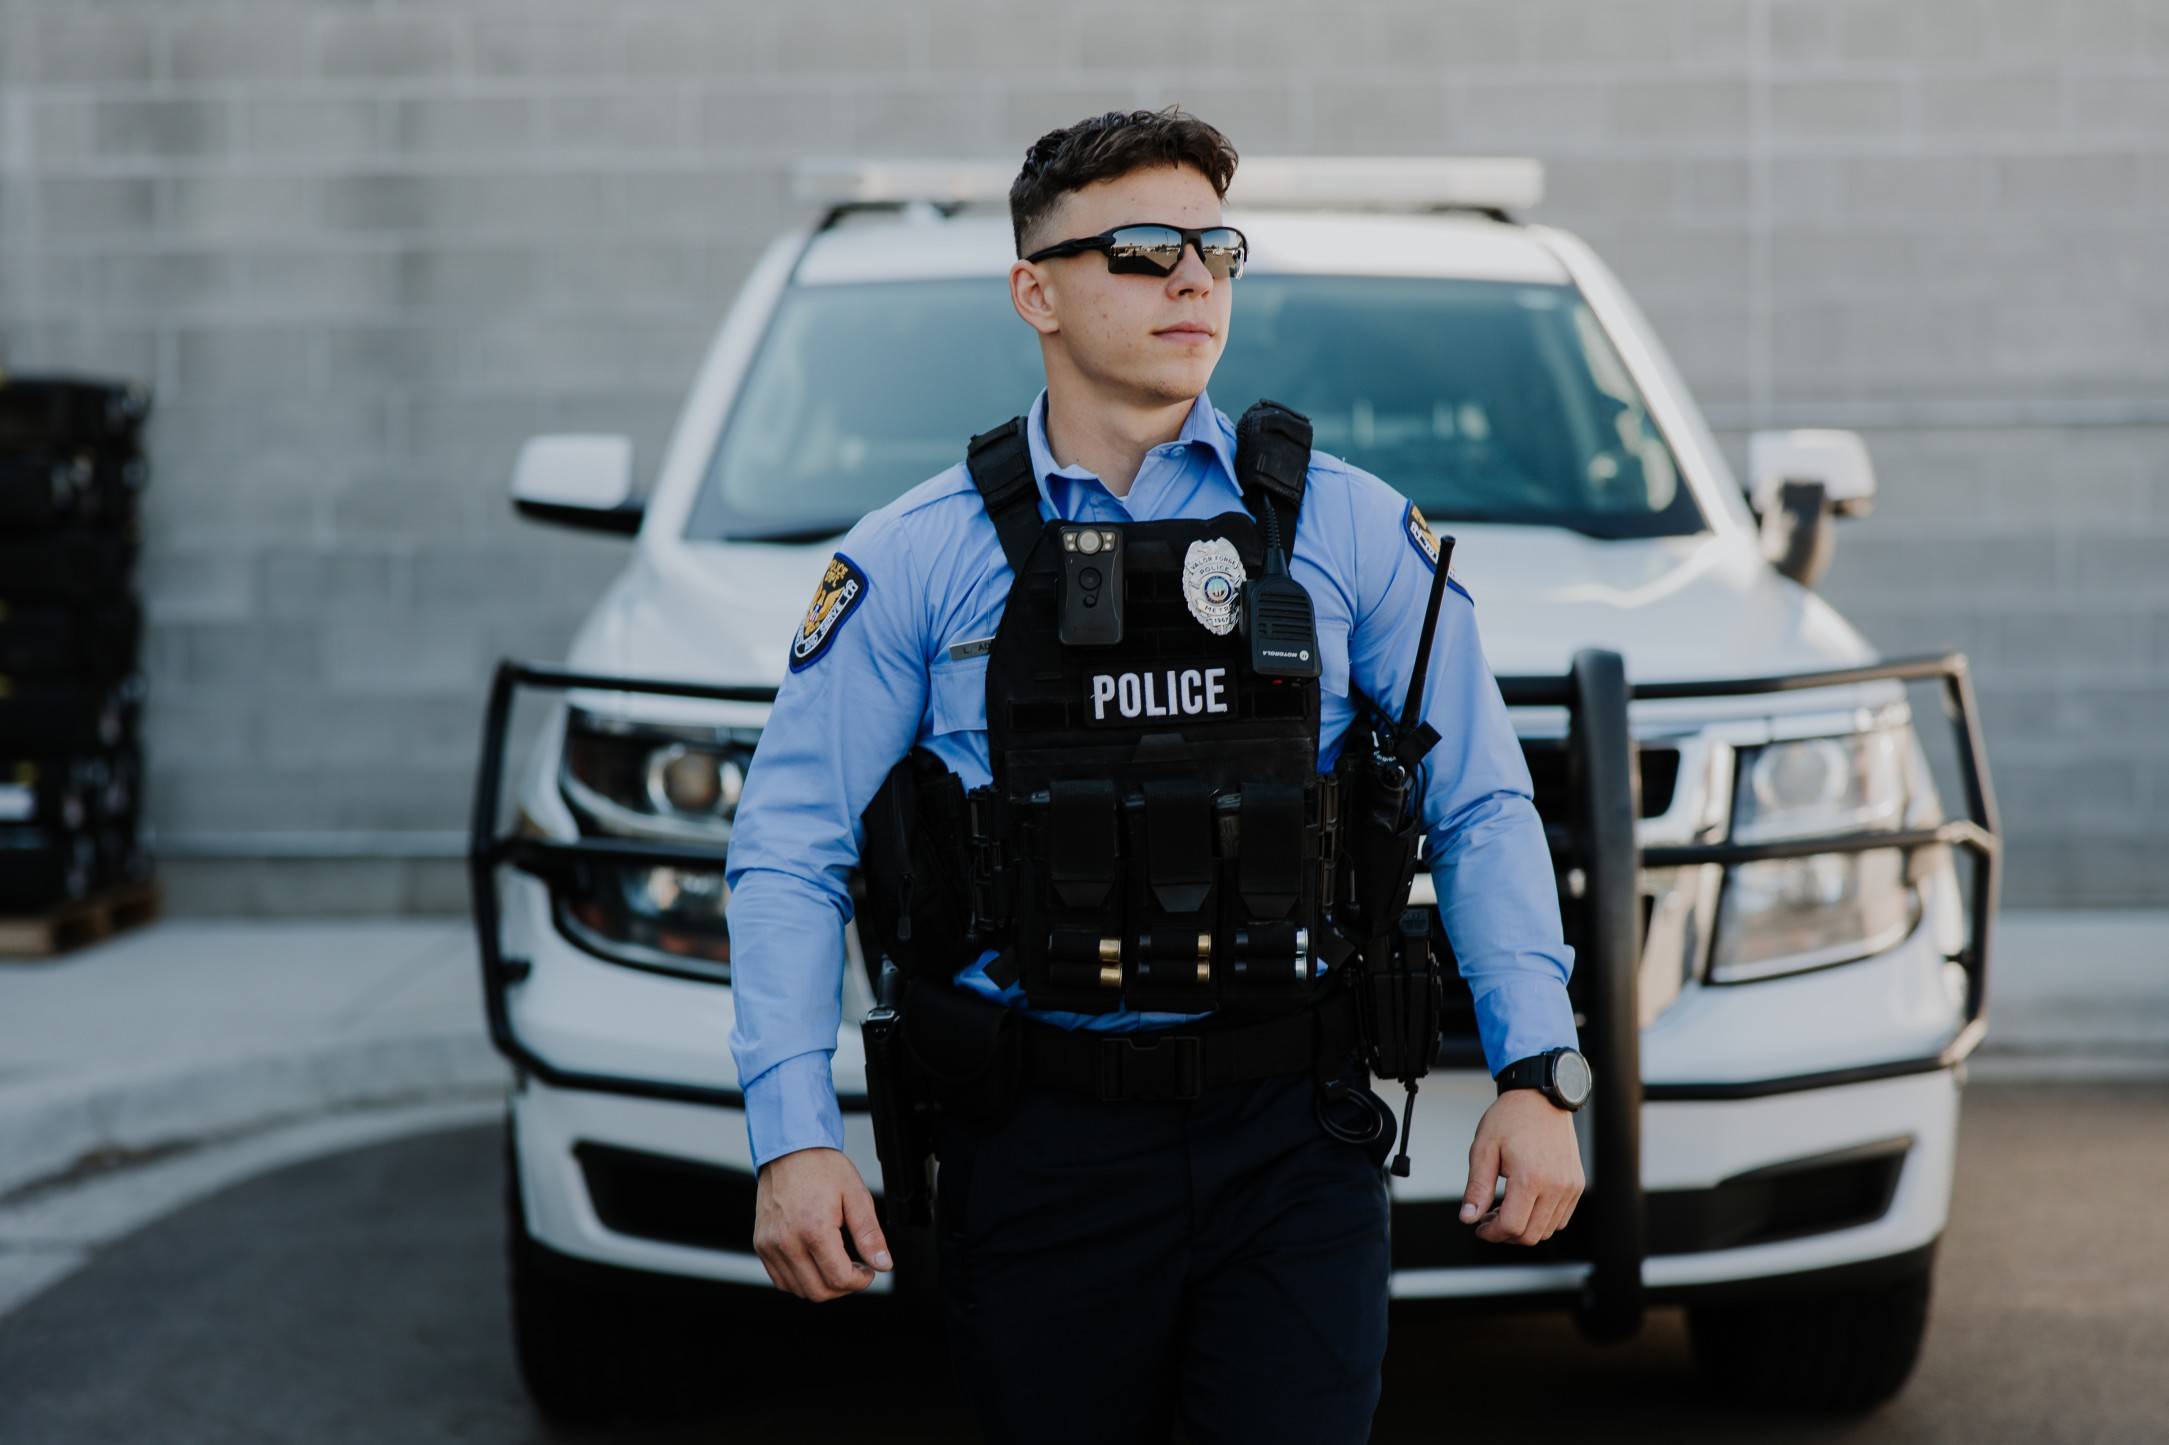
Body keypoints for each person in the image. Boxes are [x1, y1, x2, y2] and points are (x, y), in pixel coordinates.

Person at [724, 107, 1587, 1443]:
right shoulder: (913, 556)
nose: (1190, 278)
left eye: (1214, 246)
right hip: (1039, 1142)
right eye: (1138, 248)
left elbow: (1480, 803)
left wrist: (1535, 1071)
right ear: (1036, 292)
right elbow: (792, 849)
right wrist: (792, 1129)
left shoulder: (1349, 527)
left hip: (1292, 1136)